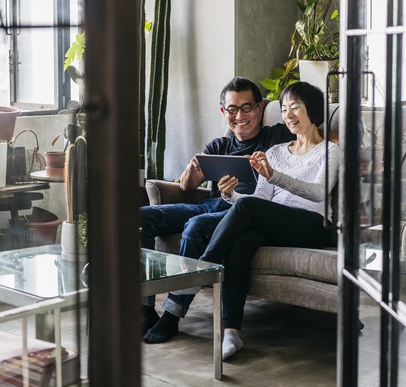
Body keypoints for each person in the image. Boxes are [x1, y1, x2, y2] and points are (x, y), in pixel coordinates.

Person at [148, 81, 340, 360]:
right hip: (275, 223)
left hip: (311, 224)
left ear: (313, 110)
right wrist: (230, 196)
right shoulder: (275, 152)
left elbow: (318, 192)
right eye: (284, 109)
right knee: (241, 243)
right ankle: (231, 333)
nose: (288, 114)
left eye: (295, 107)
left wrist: (274, 176)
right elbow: (259, 198)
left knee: (247, 212)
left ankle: (203, 266)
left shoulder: (329, 151)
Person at [140, 76, 296, 340]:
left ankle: (172, 315)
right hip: (210, 205)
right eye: (232, 109)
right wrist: (191, 168)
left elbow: (316, 134)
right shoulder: (218, 146)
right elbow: (188, 188)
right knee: (142, 217)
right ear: (224, 112)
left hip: (243, 213)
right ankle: (144, 307)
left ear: (259, 108)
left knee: (196, 226)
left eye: (247, 107)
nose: (240, 115)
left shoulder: (277, 136)